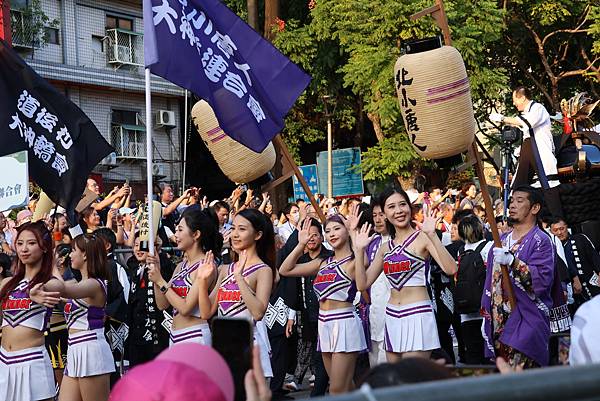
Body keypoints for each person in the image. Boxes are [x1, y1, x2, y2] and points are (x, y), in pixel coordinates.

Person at [353, 187, 458, 362]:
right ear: (385, 214)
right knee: (396, 381)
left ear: (410, 207)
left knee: (412, 378)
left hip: (418, 314)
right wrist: (358, 251)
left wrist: (432, 235)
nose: (398, 211)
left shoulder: (422, 237)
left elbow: (451, 269)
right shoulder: (385, 248)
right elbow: (362, 285)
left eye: (402, 204)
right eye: (391, 207)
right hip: (392, 315)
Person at [279, 214, 366, 394]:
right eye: (327, 231)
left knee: (336, 389)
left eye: (337, 228)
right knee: (345, 386)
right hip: (324, 325)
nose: (332, 234)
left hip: (344, 324)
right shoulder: (323, 262)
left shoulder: (353, 260)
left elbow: (363, 276)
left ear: (347, 230)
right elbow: (285, 269)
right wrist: (300, 245)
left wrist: (355, 239)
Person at [481, 186, 555, 368]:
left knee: (522, 382)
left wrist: (512, 261)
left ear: (535, 208)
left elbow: (542, 281)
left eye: (519, 201)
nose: (512, 205)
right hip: (500, 323)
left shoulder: (541, 241)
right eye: (512, 200)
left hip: (526, 321)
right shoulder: (501, 240)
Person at [197, 208, 275, 378]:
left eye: (242, 229)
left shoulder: (263, 270)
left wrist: (239, 278)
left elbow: (258, 312)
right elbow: (206, 312)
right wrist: (202, 282)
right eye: (233, 228)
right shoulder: (225, 269)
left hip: (249, 345)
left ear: (258, 235)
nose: (235, 234)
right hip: (224, 347)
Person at [0, 221, 63, 401]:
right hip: (4, 360)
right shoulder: (7, 283)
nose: (24, 249)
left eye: (31, 243)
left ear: (44, 247)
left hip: (32, 360)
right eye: (20, 243)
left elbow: (60, 286)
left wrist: (36, 290)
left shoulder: (48, 282)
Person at [148, 208, 222, 346]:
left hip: (195, 336)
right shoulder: (181, 266)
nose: (176, 235)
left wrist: (160, 281)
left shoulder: (206, 266)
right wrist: (156, 275)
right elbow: (162, 304)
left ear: (196, 234)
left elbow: (186, 308)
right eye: (176, 230)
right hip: (175, 336)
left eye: (180, 230)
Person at [490, 86, 562, 218]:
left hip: (541, 153)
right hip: (528, 150)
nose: (513, 103)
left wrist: (502, 118)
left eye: (514, 99)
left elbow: (527, 123)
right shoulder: (526, 114)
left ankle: (559, 221)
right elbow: (521, 125)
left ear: (522, 98)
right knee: (516, 187)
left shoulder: (538, 108)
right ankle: (510, 219)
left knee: (548, 186)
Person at [59, 234, 115, 401]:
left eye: (73, 251)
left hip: (91, 350)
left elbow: (62, 289)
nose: (69, 255)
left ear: (84, 255)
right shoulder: (79, 284)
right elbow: (57, 289)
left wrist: (52, 264)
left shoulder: (94, 284)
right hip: (74, 349)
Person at [126, 234, 174, 366]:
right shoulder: (134, 269)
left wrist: (157, 255)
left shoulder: (160, 266)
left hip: (156, 334)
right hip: (137, 333)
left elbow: (165, 267)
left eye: (143, 245)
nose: (138, 249)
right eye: (136, 245)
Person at [456, 215, 493, 364]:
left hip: (465, 312)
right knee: (489, 356)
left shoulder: (461, 251)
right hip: (486, 311)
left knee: (473, 354)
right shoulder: (489, 247)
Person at [550, 218, 600, 309]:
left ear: (566, 227)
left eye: (561, 229)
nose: (559, 233)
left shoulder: (580, 238)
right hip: (575, 292)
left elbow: (594, 256)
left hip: (593, 283)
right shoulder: (554, 249)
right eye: (555, 230)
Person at [365, 201, 391, 367]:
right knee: (374, 365)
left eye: (381, 214)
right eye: (374, 216)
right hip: (375, 311)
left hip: (395, 312)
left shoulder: (402, 241)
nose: (378, 219)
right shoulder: (372, 243)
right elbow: (363, 278)